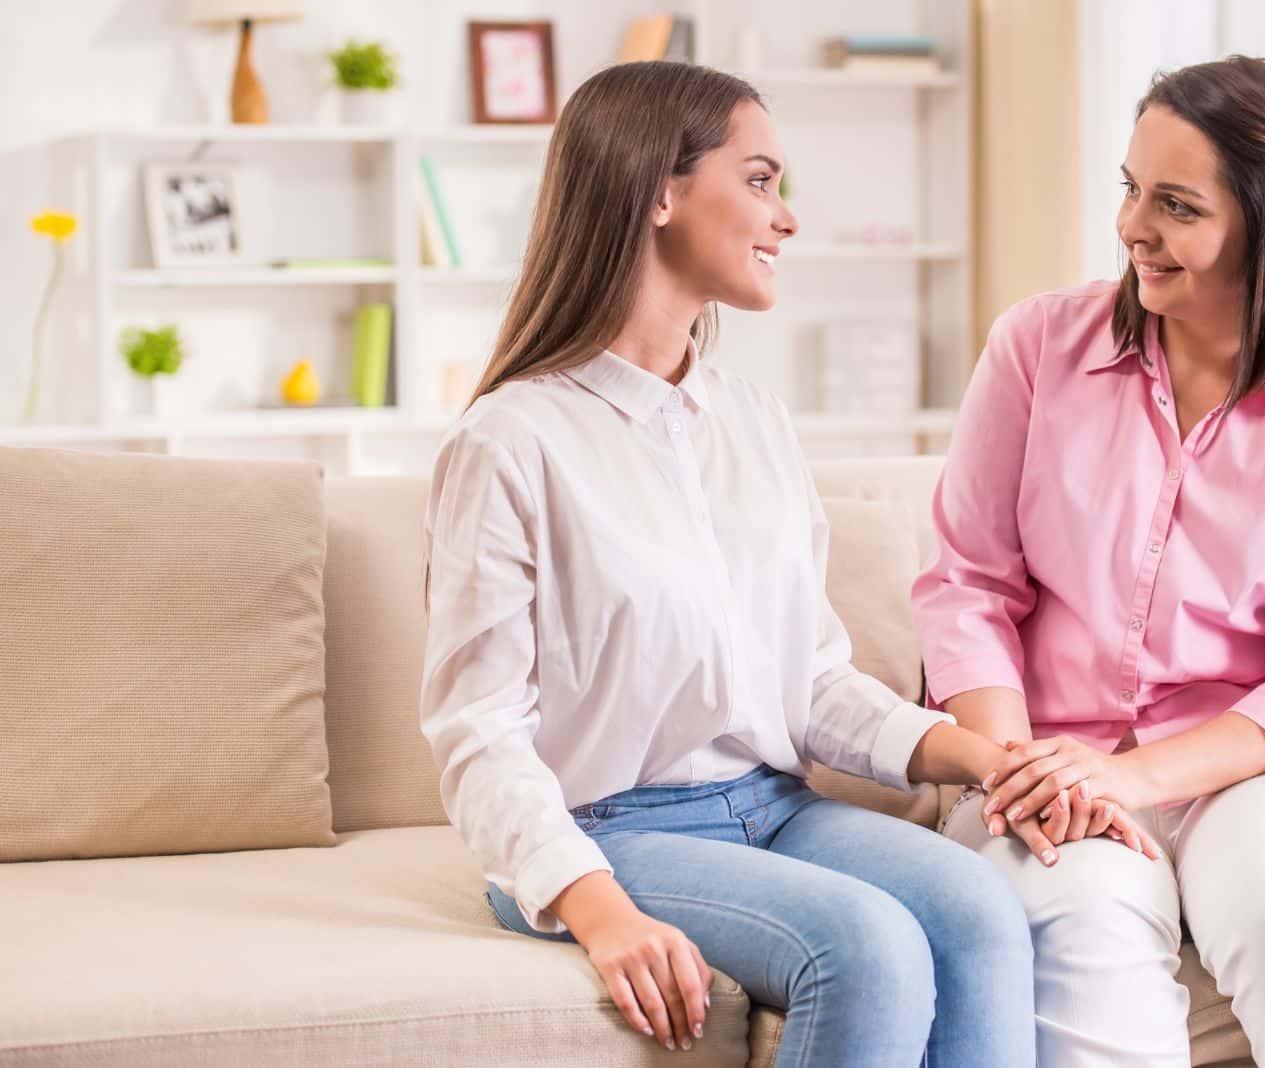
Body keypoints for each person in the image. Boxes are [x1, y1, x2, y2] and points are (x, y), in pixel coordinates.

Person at [419, 61, 1069, 1067]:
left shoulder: (754, 422)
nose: (787, 217)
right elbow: (477, 732)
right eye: (760, 180)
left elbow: (807, 677)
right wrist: (596, 910)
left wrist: (981, 757)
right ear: (659, 191)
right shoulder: (511, 442)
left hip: (772, 804)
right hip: (607, 830)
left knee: (983, 909)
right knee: (867, 949)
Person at [914, 55, 1265, 1067]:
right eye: (1130, 187)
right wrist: (1025, 774)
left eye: (1176, 206)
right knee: (1086, 911)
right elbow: (966, 585)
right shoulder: (1036, 349)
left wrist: (1130, 778)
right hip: (1044, 764)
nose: (1132, 226)